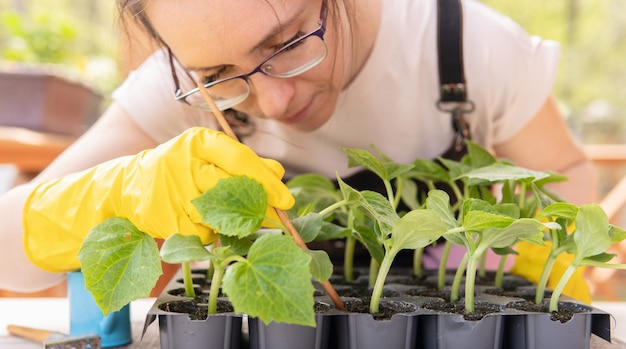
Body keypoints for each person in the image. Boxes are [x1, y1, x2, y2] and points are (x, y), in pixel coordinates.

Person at [0, 0, 595, 300]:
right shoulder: (181, 87)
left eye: (287, 43)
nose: (276, 102)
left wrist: (548, 265)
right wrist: (118, 192)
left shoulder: (463, 47)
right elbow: (8, 250)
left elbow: (565, 168)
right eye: (219, 73)